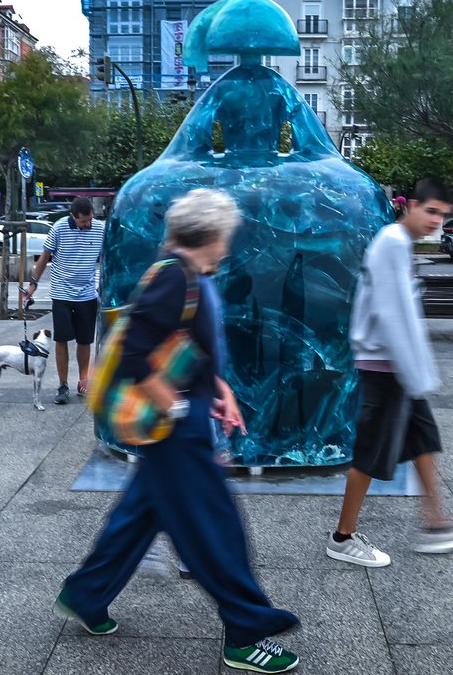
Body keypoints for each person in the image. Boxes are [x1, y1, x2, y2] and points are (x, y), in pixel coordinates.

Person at [56, 189, 301, 673]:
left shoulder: (191, 273)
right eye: (228, 235)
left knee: (138, 518)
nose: (230, 244)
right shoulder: (174, 278)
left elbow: (189, 345)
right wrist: (176, 404)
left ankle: (86, 595)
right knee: (215, 529)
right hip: (176, 427)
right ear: (210, 234)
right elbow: (132, 354)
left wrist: (218, 389)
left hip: (181, 420)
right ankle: (246, 632)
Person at [328, 179, 453, 567]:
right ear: (411, 205)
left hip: (397, 366)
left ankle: (438, 525)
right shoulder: (392, 243)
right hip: (387, 367)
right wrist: (416, 374)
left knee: (422, 441)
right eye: (431, 211)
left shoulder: (397, 243)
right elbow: (392, 313)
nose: (436, 221)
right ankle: (342, 538)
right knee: (370, 452)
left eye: (442, 215)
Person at [25, 196, 105, 405]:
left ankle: (83, 381)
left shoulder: (99, 229)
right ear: (73, 217)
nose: (87, 224)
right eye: (82, 221)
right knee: (61, 339)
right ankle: (62, 385)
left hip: (88, 294)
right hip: (61, 294)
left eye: (89, 220)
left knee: (85, 340)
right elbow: (44, 257)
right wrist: (33, 284)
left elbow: (107, 258)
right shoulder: (59, 228)